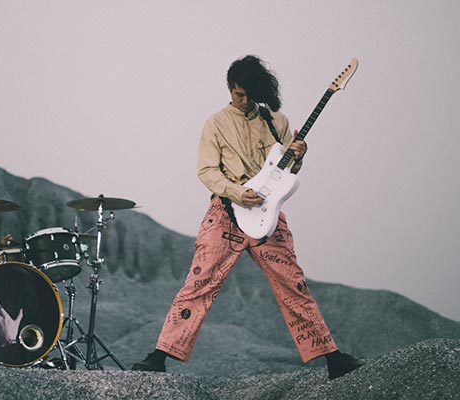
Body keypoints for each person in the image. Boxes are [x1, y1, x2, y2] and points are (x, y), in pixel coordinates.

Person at [132, 55, 363, 379]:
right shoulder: (215, 124)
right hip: (226, 211)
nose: (244, 100)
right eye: (239, 94)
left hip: (267, 215)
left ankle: (334, 359)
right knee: (199, 284)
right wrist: (237, 192)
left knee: (294, 285)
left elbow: (285, 172)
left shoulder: (276, 121)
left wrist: (298, 156)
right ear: (229, 88)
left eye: (249, 94)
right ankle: (159, 357)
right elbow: (207, 170)